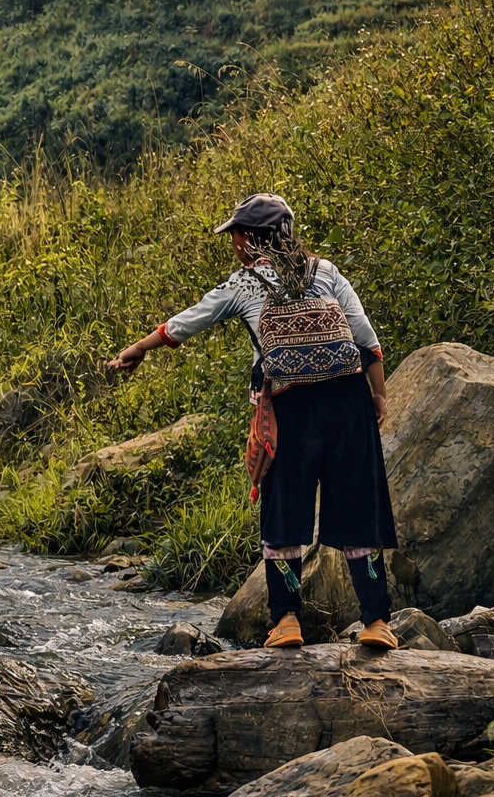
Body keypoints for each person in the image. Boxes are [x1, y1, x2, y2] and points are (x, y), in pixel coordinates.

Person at [106, 193, 399, 650]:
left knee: (284, 515)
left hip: (289, 408)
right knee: (361, 513)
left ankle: (285, 621)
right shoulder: (326, 272)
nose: (233, 244)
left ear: (248, 239)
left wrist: (140, 348)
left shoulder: (245, 284)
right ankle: (377, 623)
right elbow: (367, 339)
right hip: (348, 403)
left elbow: (187, 322)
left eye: (235, 235)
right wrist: (378, 395)